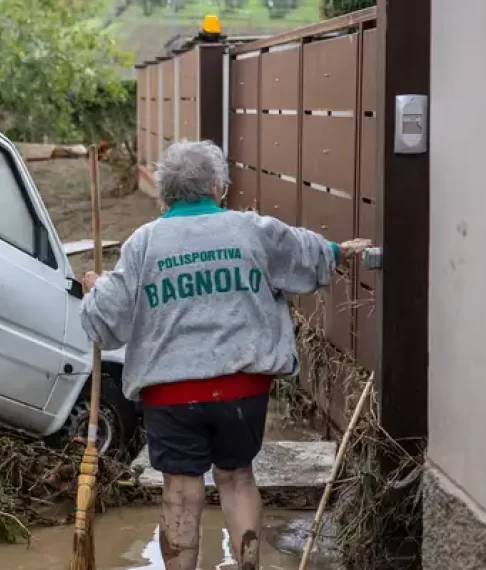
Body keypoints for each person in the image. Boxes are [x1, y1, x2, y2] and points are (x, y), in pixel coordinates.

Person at [79, 139, 370, 570]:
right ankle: (248, 563)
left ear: (164, 192)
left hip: (170, 394)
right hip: (242, 387)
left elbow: (109, 318)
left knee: (179, 488)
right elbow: (302, 251)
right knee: (237, 478)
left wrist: (94, 292)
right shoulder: (249, 229)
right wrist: (338, 252)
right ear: (217, 185)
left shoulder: (143, 244)